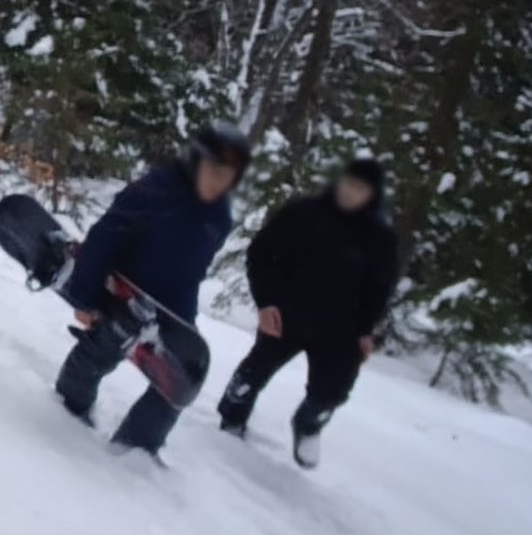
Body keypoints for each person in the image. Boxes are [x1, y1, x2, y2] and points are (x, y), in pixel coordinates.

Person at [54, 122, 251, 457]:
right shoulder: (157, 190)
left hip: (174, 307)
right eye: (213, 170)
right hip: (124, 296)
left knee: (179, 380)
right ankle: (66, 412)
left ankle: (137, 449)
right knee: (99, 352)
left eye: (228, 175)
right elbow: (104, 237)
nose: (219, 181)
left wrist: (184, 323)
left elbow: (195, 266)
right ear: (196, 161)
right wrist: (85, 298)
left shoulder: (219, 216)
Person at [217, 157, 401, 469]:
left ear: (372, 194)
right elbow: (261, 255)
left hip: (341, 328)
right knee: (254, 371)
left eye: (359, 188)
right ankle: (231, 419)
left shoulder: (380, 237)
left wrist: (366, 330)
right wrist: (266, 303)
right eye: (347, 183)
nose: (350, 192)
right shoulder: (303, 213)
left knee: (334, 389)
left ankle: (308, 424)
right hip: (287, 314)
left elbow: (379, 289)